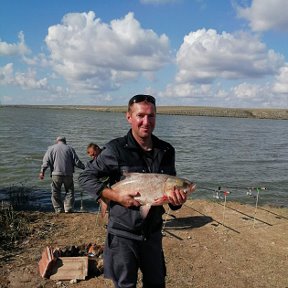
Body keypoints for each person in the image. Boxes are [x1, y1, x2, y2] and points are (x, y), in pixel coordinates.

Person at [78, 94, 187, 288]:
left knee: (156, 284)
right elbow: (86, 177)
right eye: (140, 115)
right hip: (122, 234)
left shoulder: (167, 150)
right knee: (125, 285)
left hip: (152, 234)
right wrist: (114, 196)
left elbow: (171, 199)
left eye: (151, 116)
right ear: (129, 117)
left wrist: (177, 202)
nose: (146, 121)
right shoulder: (114, 149)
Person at [39, 136, 85, 213]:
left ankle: (58, 209)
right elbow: (77, 162)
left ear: (57, 141)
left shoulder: (51, 148)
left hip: (56, 174)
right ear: (65, 141)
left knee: (56, 191)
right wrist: (84, 168)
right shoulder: (70, 148)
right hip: (68, 174)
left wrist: (42, 172)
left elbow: (46, 162)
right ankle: (68, 208)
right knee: (69, 191)